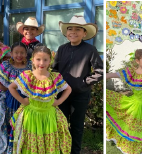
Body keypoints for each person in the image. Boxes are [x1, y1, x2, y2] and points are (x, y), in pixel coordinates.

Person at [51, 15, 103, 154]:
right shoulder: (61, 49)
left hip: (80, 95)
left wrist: (84, 82)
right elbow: (54, 70)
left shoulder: (90, 49)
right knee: (60, 125)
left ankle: (75, 151)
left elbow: (100, 71)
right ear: (66, 33)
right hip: (61, 95)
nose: (73, 32)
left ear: (84, 33)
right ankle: (61, 150)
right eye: (70, 29)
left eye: (78, 29)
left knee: (77, 126)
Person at [8, 46, 72, 153]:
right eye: (38, 59)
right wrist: (22, 101)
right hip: (31, 115)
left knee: (48, 140)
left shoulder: (55, 77)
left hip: (49, 116)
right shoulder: (27, 76)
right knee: (31, 142)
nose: (41, 63)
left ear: (50, 61)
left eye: (45, 60)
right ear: (32, 60)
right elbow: (11, 87)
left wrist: (59, 101)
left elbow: (68, 89)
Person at [0, 43, 32, 153]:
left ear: (26, 54)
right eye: (16, 53)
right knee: (11, 123)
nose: (19, 55)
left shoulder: (31, 66)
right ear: (11, 54)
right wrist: (1, 86)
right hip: (10, 99)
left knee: (24, 123)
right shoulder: (7, 65)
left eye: (22, 52)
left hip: (26, 100)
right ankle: (10, 147)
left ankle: (23, 147)